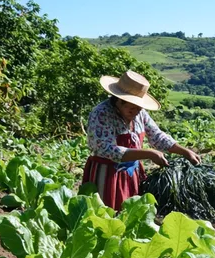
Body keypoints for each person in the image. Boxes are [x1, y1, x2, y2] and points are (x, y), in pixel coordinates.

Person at [83, 70, 201, 210]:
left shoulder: (140, 113)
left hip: (132, 173)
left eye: (139, 108)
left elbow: (157, 136)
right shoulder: (101, 113)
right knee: (106, 216)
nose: (137, 111)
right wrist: (148, 153)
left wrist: (185, 151)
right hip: (107, 175)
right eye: (132, 108)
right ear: (119, 101)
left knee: (131, 215)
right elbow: (106, 149)